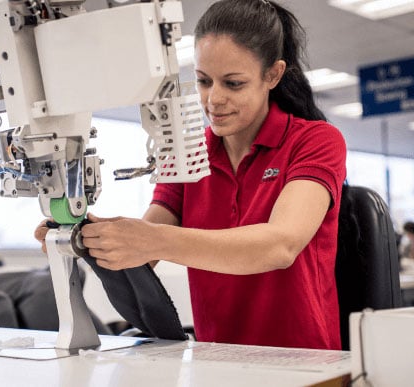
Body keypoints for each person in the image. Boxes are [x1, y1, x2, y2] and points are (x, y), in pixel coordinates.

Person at [35, 0, 346, 350]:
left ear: (272, 75)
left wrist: (154, 239)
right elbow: (144, 249)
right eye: (203, 81)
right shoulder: (188, 151)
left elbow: (280, 245)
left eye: (233, 83)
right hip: (215, 358)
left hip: (303, 360)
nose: (213, 99)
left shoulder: (315, 140)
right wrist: (86, 241)